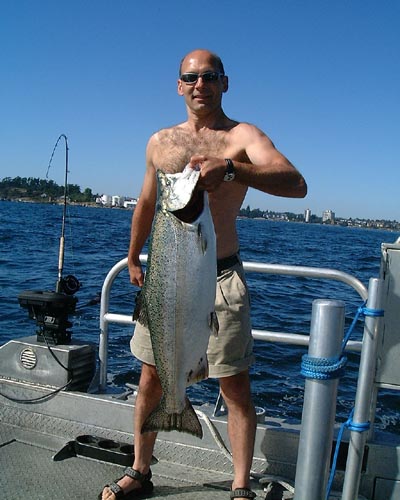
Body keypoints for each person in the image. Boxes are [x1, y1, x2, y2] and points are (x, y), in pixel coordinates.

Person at [100, 49, 307, 500]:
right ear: (179, 85)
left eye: (210, 76)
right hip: (165, 278)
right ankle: (140, 470)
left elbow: (296, 184)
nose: (201, 85)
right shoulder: (160, 142)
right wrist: (132, 258)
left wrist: (231, 169)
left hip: (221, 278)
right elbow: (147, 203)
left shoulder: (242, 136)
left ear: (224, 83)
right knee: (152, 376)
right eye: (191, 77)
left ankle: (239, 485)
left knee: (234, 384)